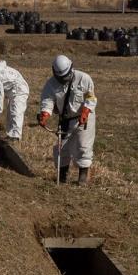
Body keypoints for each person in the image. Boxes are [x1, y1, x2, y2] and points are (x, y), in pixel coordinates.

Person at [36, 55, 97, 185]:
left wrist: (86, 111)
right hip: (65, 119)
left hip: (84, 117)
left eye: (65, 76)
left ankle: (83, 177)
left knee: (83, 146)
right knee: (61, 148)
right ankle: (62, 176)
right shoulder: (50, 84)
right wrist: (45, 114)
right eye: (60, 78)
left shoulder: (84, 78)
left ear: (71, 68)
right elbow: (47, 101)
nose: (63, 80)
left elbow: (90, 97)